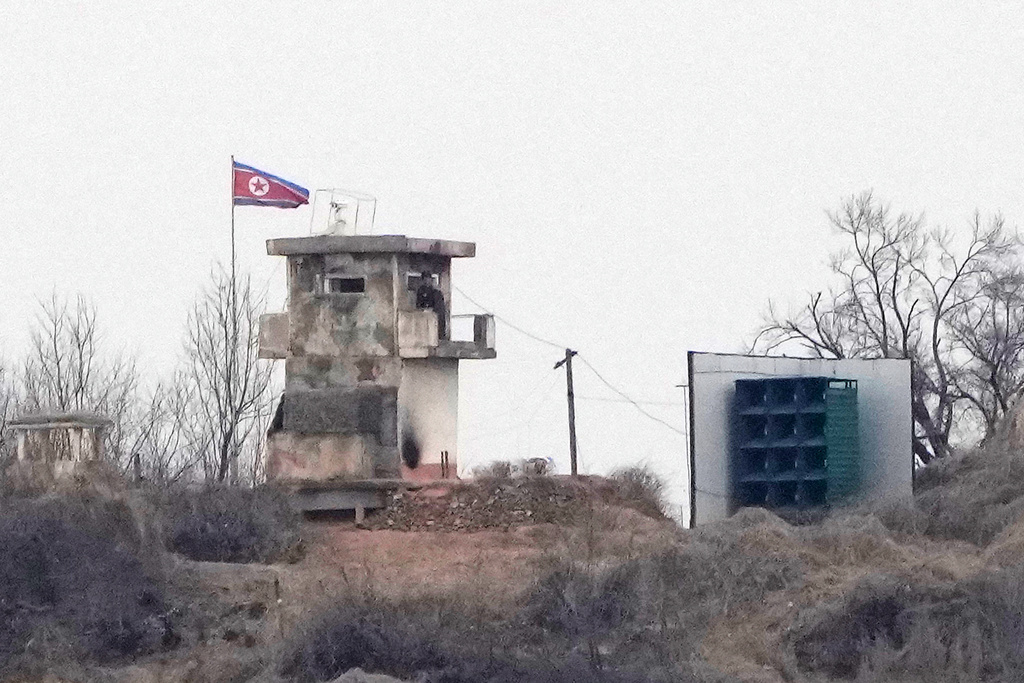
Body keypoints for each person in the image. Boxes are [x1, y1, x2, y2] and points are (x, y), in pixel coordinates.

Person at [415, 275, 448, 340]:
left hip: (436, 318)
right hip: (424, 317)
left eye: (428, 279)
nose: (427, 281)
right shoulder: (420, 290)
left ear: (431, 280)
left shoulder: (436, 292)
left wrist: (432, 310)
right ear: (423, 280)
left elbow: (440, 308)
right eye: (425, 280)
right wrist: (423, 309)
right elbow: (419, 304)